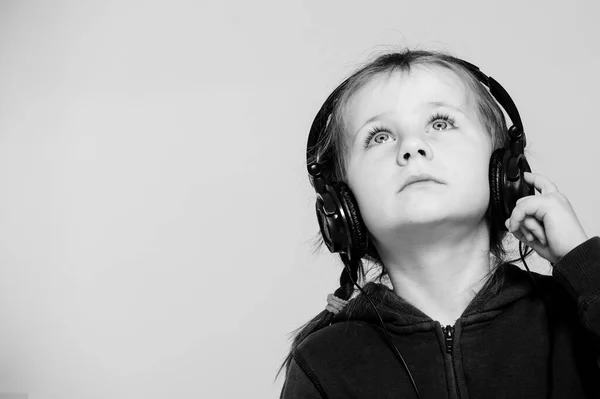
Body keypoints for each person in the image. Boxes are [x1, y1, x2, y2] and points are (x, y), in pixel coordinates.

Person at [277, 49, 600, 398]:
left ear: (506, 171)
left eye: (440, 123)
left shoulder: (577, 315)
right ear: (342, 205)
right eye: (379, 137)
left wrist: (584, 263)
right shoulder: (324, 361)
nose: (412, 147)